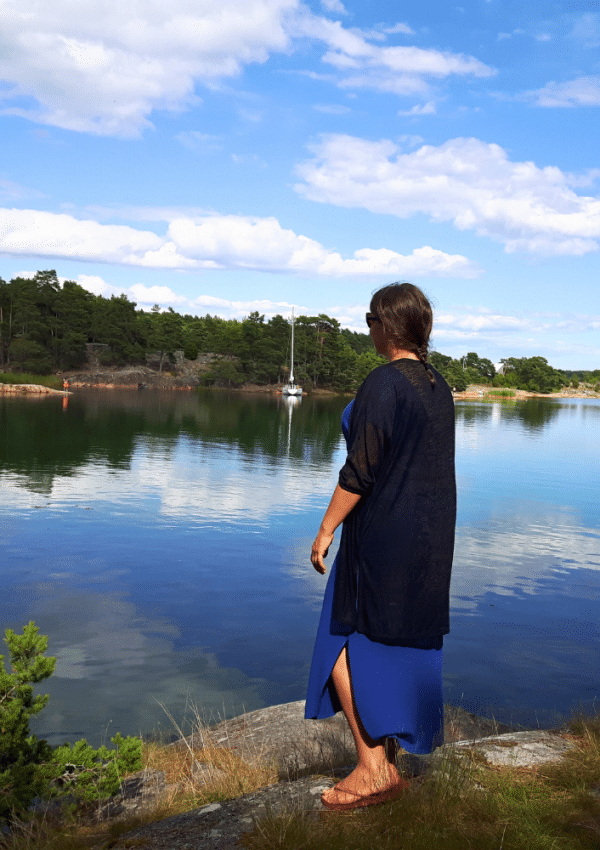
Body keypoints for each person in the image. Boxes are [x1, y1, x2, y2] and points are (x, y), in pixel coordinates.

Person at [305, 282, 456, 812]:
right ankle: (386, 763)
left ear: (387, 327)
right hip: (429, 540)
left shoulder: (384, 382)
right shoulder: (438, 386)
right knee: (390, 648)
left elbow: (360, 470)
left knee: (340, 642)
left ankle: (372, 770)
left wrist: (325, 530)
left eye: (370, 320)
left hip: (381, 538)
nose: (367, 329)